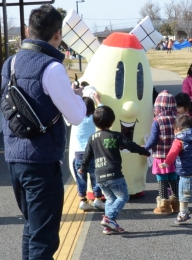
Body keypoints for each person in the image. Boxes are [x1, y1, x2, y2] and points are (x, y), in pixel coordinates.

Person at [0, 4, 86, 260]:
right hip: (41, 160)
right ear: (57, 35)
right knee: (44, 239)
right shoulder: (52, 67)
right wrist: (76, 97)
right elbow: (77, 115)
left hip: (14, 158)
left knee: (31, 229)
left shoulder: (11, 63)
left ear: (28, 30)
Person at [79, 106, 150, 235]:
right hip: (114, 174)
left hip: (100, 176)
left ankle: (108, 226)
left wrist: (82, 168)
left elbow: (87, 155)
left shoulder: (93, 138)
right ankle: (109, 218)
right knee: (123, 196)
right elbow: (131, 146)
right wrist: (145, 151)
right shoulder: (115, 135)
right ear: (112, 121)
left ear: (95, 122)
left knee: (110, 199)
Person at [159, 114, 192, 224]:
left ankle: (183, 213)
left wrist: (167, 163)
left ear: (178, 129)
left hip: (186, 174)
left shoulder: (179, 140)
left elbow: (173, 153)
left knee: (184, 196)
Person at [144, 91, 179, 215]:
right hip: (175, 156)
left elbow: (153, 140)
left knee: (162, 179)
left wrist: (144, 148)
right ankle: (176, 203)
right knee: (173, 178)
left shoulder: (157, 120)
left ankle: (164, 205)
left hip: (160, 156)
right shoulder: (177, 119)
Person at [72, 91, 105, 211]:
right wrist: (98, 100)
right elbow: (102, 112)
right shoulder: (92, 119)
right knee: (96, 178)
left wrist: (74, 93)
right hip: (92, 155)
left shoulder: (75, 118)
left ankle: (83, 201)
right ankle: (98, 200)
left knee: (81, 180)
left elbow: (71, 107)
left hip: (79, 156)